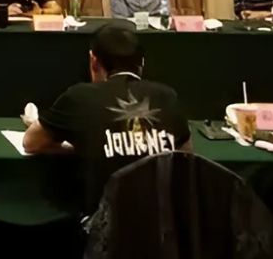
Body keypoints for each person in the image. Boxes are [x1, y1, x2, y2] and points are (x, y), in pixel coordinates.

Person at [24, 23, 188, 215]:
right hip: (165, 225)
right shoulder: (167, 96)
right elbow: (186, 155)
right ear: (142, 63)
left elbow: (31, 142)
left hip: (106, 227)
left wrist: (83, 145)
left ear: (93, 61)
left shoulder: (80, 97)